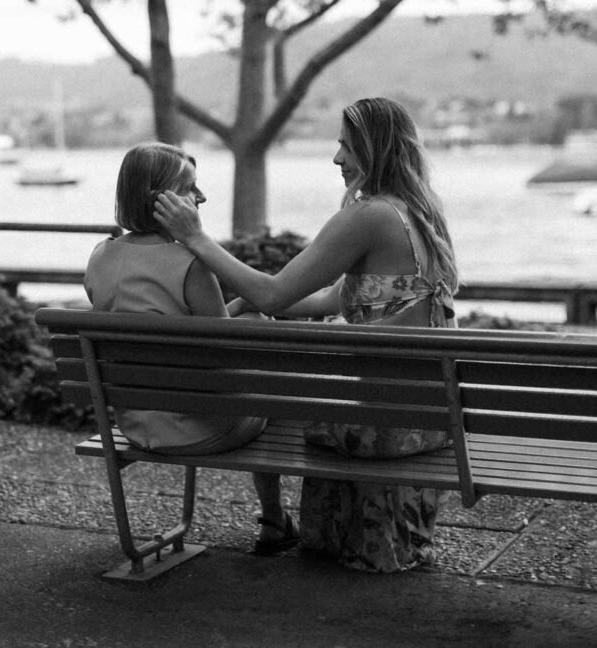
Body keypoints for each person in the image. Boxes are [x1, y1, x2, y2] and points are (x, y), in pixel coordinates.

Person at [153, 97, 459, 573]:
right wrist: (251, 303)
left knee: (258, 394)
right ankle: (297, 526)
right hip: (424, 414)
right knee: (272, 355)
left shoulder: (369, 215)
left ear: (376, 150)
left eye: (347, 146)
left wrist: (196, 239)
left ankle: (274, 521)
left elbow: (276, 295)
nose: (337, 158)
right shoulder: (416, 213)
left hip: (381, 426)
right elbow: (328, 300)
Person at [84, 142, 297, 555]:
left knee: (247, 328)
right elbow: (224, 354)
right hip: (198, 430)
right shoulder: (191, 264)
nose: (200, 197)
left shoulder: (100, 257)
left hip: (136, 426)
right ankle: (275, 521)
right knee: (275, 388)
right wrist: (253, 315)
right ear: (159, 201)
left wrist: (234, 308)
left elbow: (165, 326)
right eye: (189, 188)